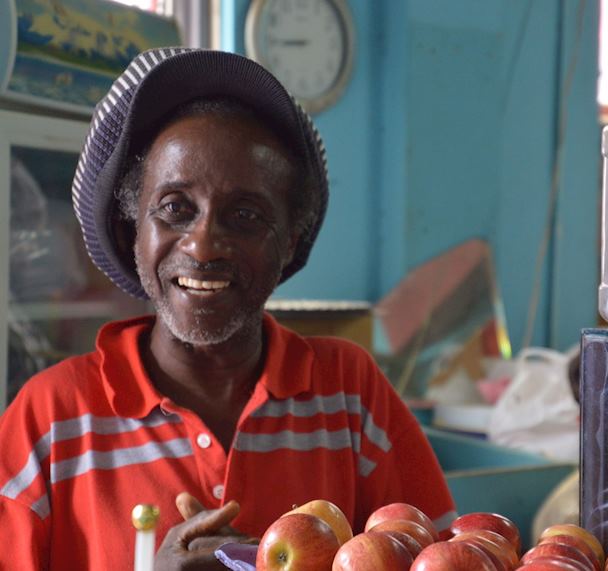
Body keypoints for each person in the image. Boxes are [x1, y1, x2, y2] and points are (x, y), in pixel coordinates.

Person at [0, 48, 457, 570]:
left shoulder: (351, 398)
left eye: (245, 214)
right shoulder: (49, 419)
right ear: (133, 230)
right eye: (174, 208)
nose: (203, 245)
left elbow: (445, 558)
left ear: (290, 239)